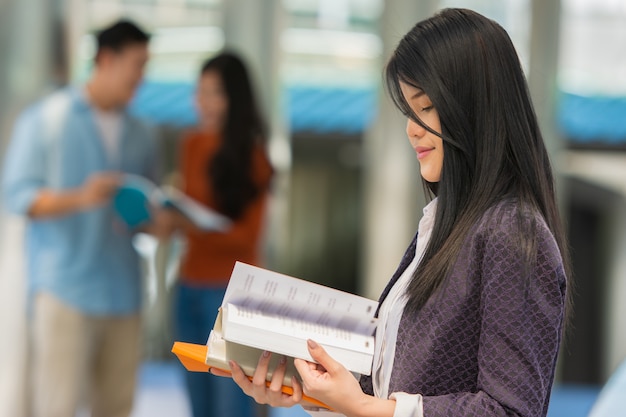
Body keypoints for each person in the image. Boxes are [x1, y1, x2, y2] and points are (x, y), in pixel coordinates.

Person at [222, 8, 571, 417]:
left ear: (475, 109)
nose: (412, 128)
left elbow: (510, 411)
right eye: (409, 110)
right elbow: (393, 382)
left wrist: (369, 408)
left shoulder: (513, 231)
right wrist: (309, 390)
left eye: (425, 107)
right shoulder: (446, 226)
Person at [1, 19, 164, 417]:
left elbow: (148, 209)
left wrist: (158, 220)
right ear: (106, 59)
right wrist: (80, 197)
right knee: (56, 407)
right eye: (137, 65)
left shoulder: (144, 132)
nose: (142, 77)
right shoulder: (46, 119)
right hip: (64, 291)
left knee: (116, 408)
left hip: (124, 292)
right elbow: (16, 196)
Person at [169, 51, 273, 417]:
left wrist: (197, 225)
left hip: (235, 297)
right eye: (200, 92)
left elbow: (248, 237)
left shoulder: (256, 158)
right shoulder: (191, 145)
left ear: (235, 99)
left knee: (233, 406)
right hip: (188, 287)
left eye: (214, 92)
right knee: (198, 404)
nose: (203, 102)